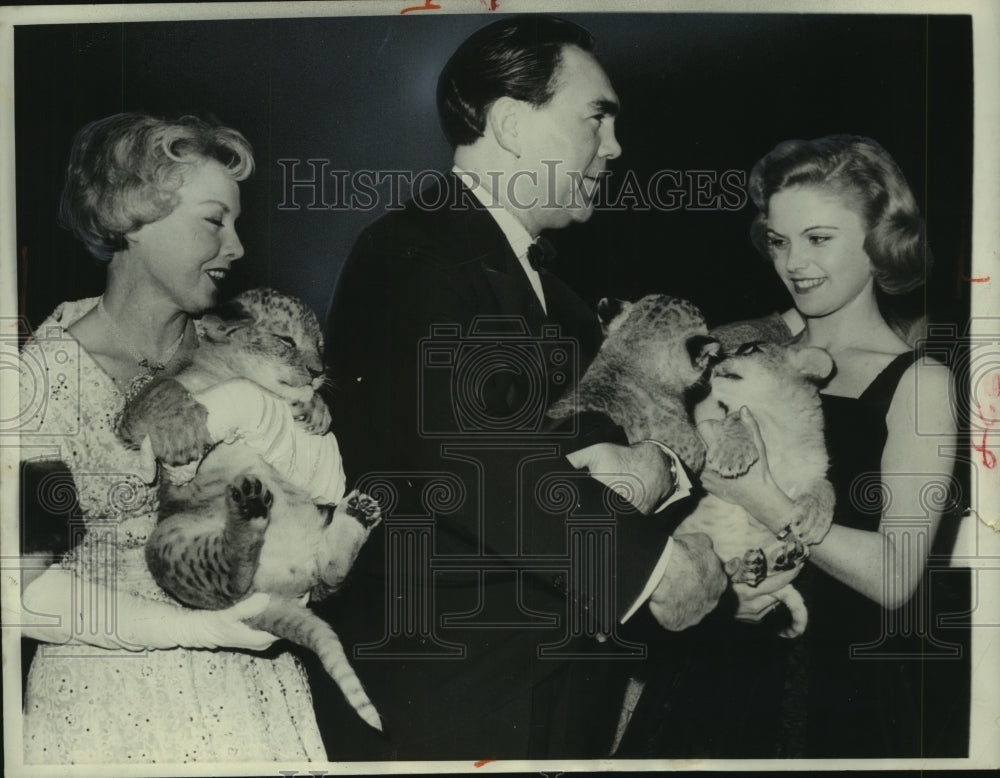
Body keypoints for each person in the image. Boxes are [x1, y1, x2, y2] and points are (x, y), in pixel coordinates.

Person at [314, 16, 727, 760]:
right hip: (451, 693)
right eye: (597, 118)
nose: (616, 147)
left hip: (561, 688)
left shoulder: (564, 297)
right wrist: (652, 568)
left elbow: (607, 433)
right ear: (510, 122)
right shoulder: (408, 251)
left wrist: (662, 468)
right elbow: (470, 456)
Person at [15, 113, 329, 763]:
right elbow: (25, 595)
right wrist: (199, 627)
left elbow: (323, 502)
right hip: (103, 712)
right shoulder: (38, 379)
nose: (237, 246)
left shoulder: (254, 356)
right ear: (133, 215)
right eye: (214, 221)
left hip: (251, 698)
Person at [698, 135, 969, 757]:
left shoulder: (918, 383)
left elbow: (896, 577)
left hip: (833, 682)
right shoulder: (741, 348)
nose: (794, 262)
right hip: (723, 654)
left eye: (818, 238)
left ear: (880, 240)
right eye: (780, 240)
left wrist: (763, 499)